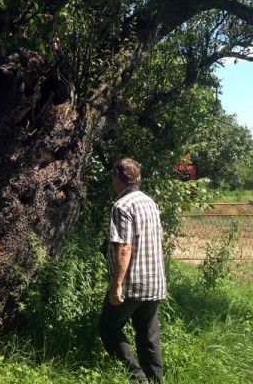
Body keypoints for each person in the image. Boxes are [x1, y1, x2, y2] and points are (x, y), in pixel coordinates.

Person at [99, 158, 166, 383]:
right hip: (154, 281)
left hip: (133, 283)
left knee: (108, 327)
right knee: (148, 335)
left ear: (117, 177)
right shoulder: (150, 203)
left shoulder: (122, 206)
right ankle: (156, 380)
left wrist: (117, 284)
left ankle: (137, 379)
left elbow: (124, 247)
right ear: (138, 178)